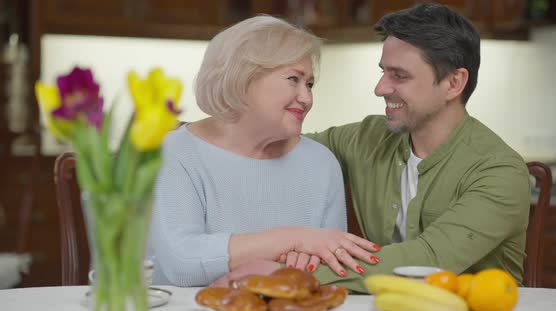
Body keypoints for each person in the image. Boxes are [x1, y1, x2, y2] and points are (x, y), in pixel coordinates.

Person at [216, 3, 530, 292]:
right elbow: (269, 146)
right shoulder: (367, 138)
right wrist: (185, 134)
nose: (380, 88)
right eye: (383, 71)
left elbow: (428, 258)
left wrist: (284, 272)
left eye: (400, 76)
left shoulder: (499, 171)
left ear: (453, 83)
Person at [148, 15, 380, 287]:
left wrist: (266, 264)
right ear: (242, 78)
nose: (306, 98)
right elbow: (181, 263)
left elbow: (327, 266)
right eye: (293, 79)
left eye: (309, 84)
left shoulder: (320, 163)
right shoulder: (175, 153)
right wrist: (293, 240)